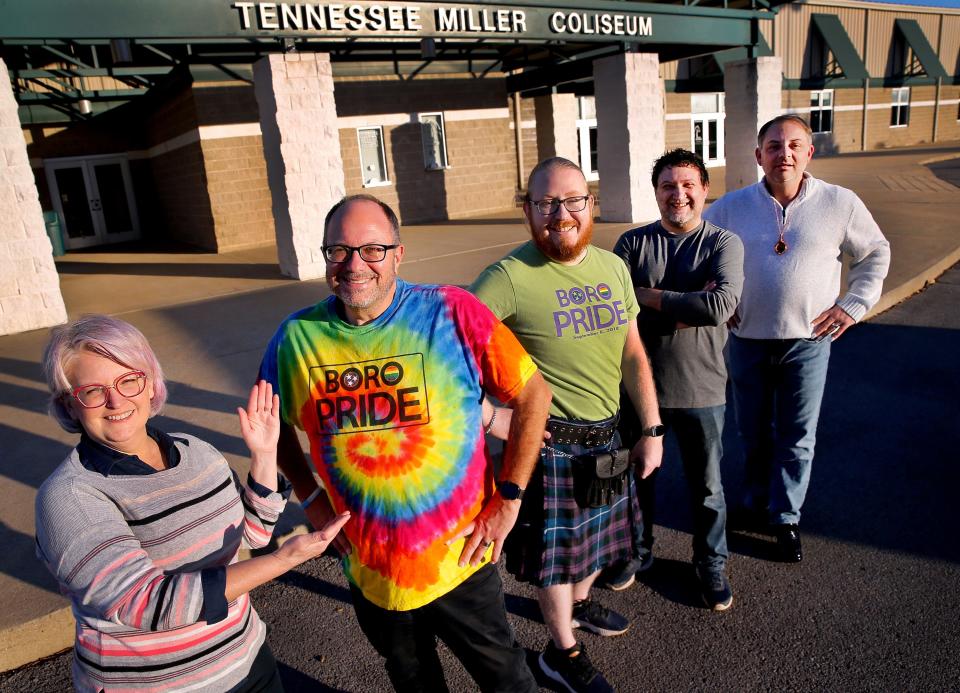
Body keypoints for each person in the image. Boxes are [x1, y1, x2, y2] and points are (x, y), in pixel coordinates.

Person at [259, 194, 551, 692]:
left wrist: (509, 498)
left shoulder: (453, 311)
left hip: (459, 559)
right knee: (412, 680)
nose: (355, 265)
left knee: (506, 679)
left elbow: (532, 393)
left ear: (399, 253)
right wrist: (310, 498)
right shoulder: (296, 338)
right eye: (339, 250)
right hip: (370, 566)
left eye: (373, 249)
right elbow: (272, 428)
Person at [36, 315, 350, 692]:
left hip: (246, 659)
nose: (116, 400)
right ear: (69, 405)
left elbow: (250, 534)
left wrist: (265, 456)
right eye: (92, 391)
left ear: (150, 384)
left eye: (128, 380)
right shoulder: (68, 497)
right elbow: (146, 603)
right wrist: (284, 560)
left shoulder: (195, 451)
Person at [471, 157, 663, 693]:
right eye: (546, 202)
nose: (561, 213)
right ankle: (561, 651)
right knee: (556, 562)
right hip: (550, 446)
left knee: (594, 550)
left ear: (590, 204)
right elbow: (444, 354)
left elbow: (632, 355)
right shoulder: (507, 277)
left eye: (573, 200)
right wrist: (492, 416)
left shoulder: (612, 268)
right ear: (528, 209)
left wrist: (651, 429)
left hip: (609, 437)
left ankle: (577, 608)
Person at [703, 115, 890, 562]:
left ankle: (786, 517)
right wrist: (716, 297)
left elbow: (875, 253)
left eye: (793, 145)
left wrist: (853, 305)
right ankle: (752, 503)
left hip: (808, 341)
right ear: (758, 155)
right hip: (747, 338)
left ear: (809, 152)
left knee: (797, 434)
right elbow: (698, 247)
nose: (782, 153)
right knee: (752, 430)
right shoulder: (731, 206)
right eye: (772, 145)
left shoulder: (839, 203)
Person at [607, 148, 743, 611]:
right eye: (668, 185)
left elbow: (719, 306)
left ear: (704, 189)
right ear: (656, 193)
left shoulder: (724, 243)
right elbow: (614, 313)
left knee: (707, 488)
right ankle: (637, 552)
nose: (678, 194)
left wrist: (645, 296)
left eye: (687, 184)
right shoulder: (631, 244)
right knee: (638, 479)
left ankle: (711, 564)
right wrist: (687, 306)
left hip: (703, 389)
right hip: (641, 389)